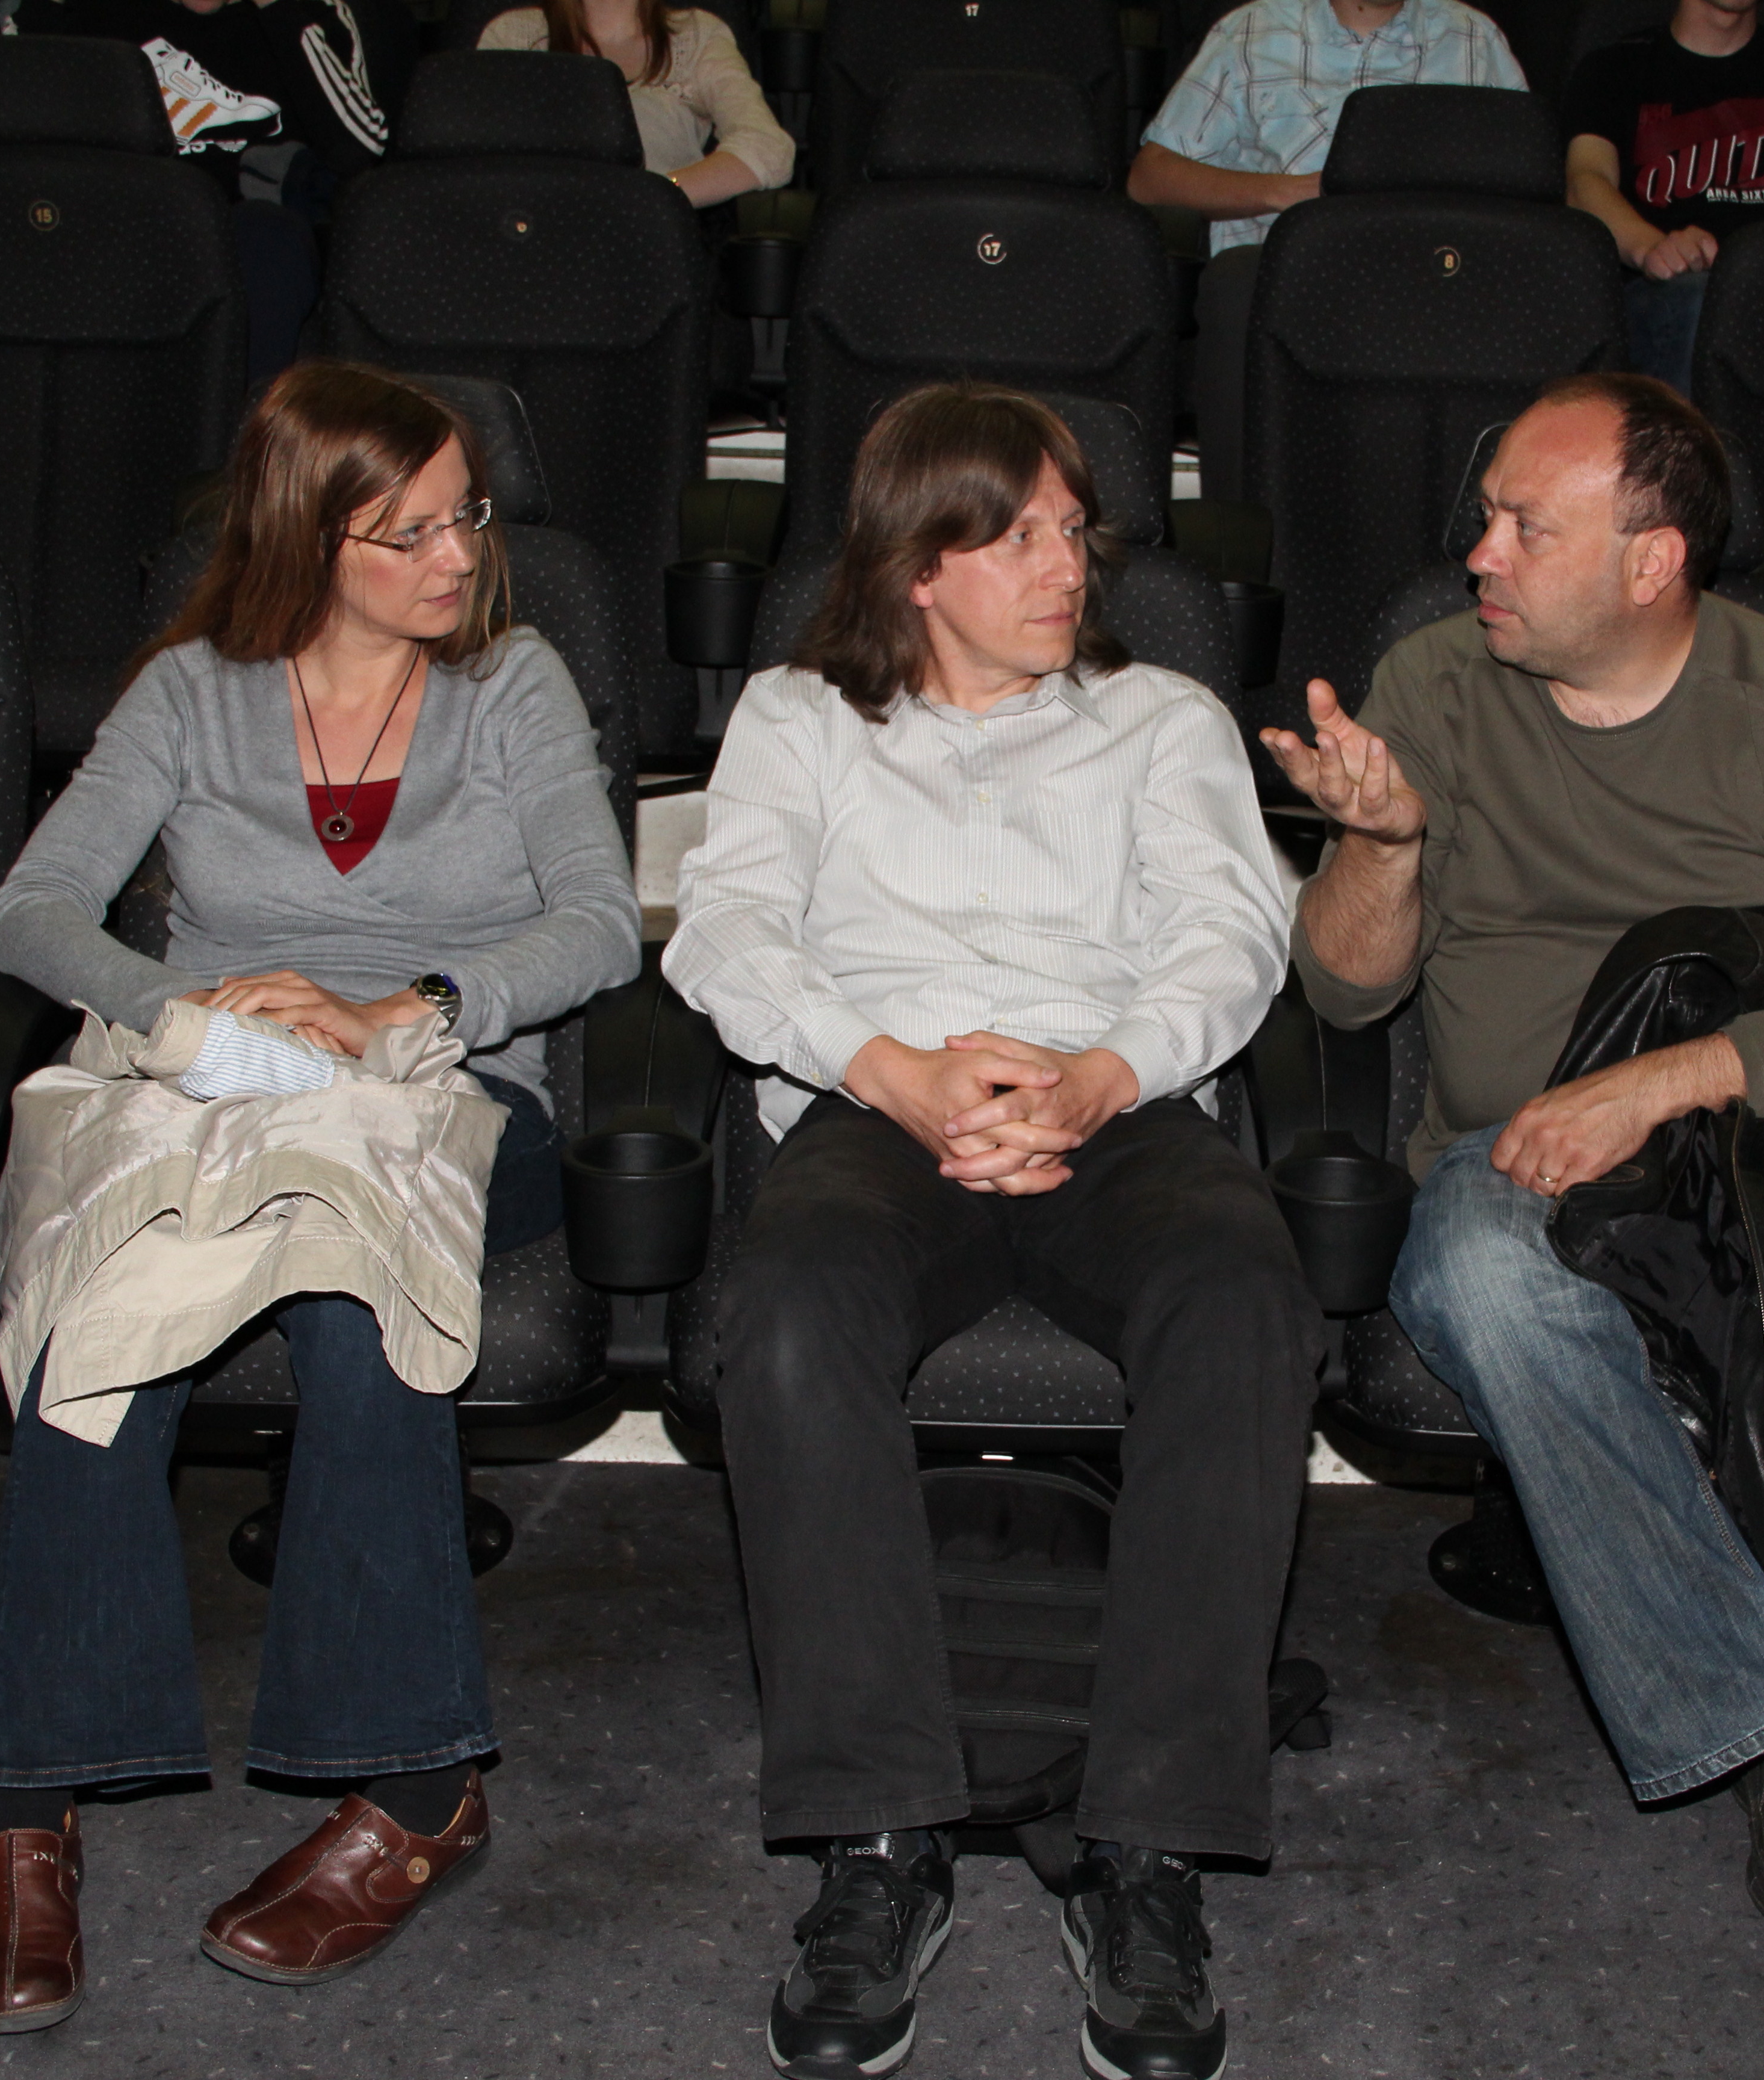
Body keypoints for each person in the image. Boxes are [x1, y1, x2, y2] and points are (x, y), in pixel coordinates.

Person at [1273, 372, 1764, 1998]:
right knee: (1476, 1279)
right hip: (1512, 1143)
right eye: (1484, 519)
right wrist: (1380, 846)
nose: (1479, 553)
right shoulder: (1436, 680)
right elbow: (1341, 991)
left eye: (1524, 527)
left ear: (1652, 559)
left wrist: (1665, 1079)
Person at [0, 362, 639, 2035]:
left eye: (465, 516)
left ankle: (415, 1790)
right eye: (407, 532)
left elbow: (600, 922)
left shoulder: (514, 683)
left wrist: (416, 1005)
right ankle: (23, 1815)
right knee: (102, 1313)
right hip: (215, 1099)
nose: (456, 556)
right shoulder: (190, 692)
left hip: (444, 1100)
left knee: (356, 1301)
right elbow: (33, 909)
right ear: (308, 536)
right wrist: (189, 1015)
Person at [663, 383, 1308, 2080]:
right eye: (1018, 535)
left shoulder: (1160, 718)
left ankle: (1147, 1847)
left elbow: (1230, 937)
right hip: (882, 1101)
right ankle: (879, 1841)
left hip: (1118, 1100)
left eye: (1074, 530)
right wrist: (891, 1069)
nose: (1065, 564)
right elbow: (724, 931)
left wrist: (1098, 1077)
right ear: (918, 563)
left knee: (1242, 1296)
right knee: (789, 1304)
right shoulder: (800, 717)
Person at [1129, 0, 1526, 500]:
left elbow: (1529, 182)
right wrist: (1287, 192)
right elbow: (1150, 178)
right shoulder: (1251, 31)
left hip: (1427, 274)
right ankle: (1241, 522)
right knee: (1237, 282)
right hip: (1285, 273)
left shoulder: (1473, 39)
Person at [19, 0, 421, 382]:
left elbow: (361, 149)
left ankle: (250, 427)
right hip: (130, 219)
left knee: (267, 239)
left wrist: (280, 11)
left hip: (254, 233)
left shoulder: (314, 15)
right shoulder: (92, 17)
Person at [1560, 0, 1764, 397]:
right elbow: (1586, 181)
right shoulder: (1614, 70)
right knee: (1700, 303)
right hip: (1665, 296)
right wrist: (1652, 249)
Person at [475, 0, 794, 204]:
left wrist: (654, 195)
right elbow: (482, 158)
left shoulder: (697, 35)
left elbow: (768, 149)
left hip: (646, 248)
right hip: (537, 241)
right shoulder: (512, 36)